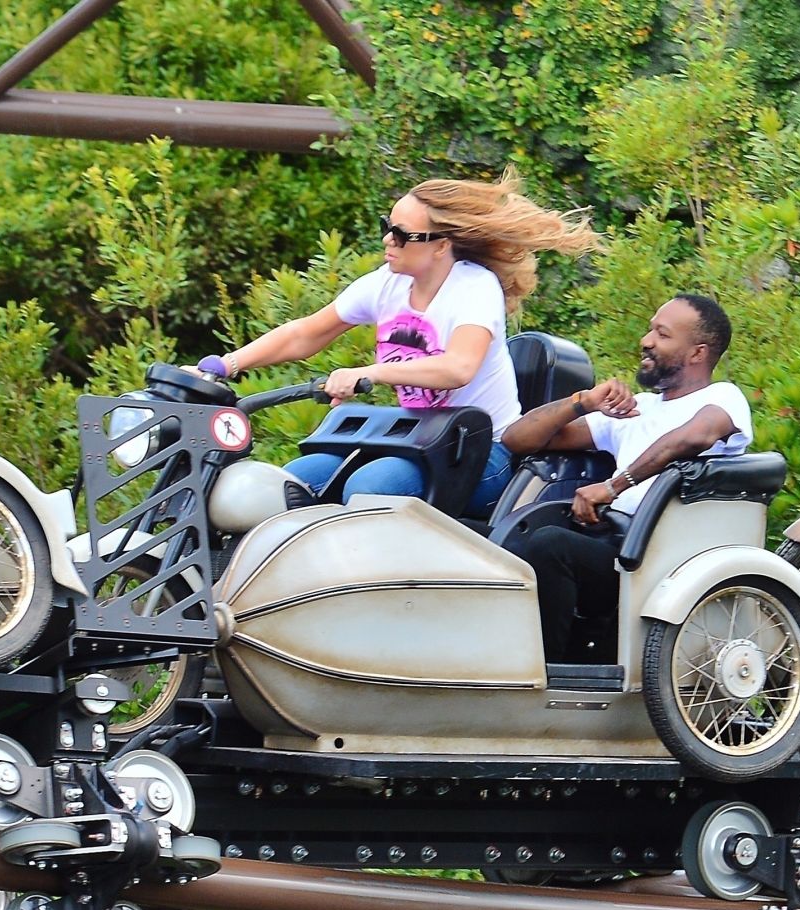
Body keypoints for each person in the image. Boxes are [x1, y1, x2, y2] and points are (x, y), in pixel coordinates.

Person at [199, 170, 599, 518]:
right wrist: (223, 366)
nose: (389, 241)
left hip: (481, 452)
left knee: (371, 487)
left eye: (403, 235)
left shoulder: (474, 288)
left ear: (441, 245)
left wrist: (370, 372)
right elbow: (305, 333)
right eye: (386, 227)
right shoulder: (387, 283)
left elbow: (457, 368)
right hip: (413, 438)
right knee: (292, 483)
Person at [501, 293, 753, 661]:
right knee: (518, 546)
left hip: (667, 559)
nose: (646, 341)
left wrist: (614, 486)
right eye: (650, 330)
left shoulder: (723, 398)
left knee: (551, 546)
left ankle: (543, 673)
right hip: (616, 546)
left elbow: (692, 438)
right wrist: (583, 402)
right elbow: (517, 440)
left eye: (662, 335)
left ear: (698, 353)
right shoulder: (637, 409)